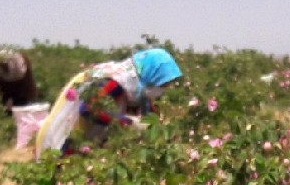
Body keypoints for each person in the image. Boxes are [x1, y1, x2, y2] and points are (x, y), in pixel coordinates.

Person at [34, 48, 184, 155]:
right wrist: (130, 123)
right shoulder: (113, 81)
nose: (163, 89)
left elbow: (152, 122)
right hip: (62, 144)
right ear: (151, 75)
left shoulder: (138, 91)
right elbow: (90, 109)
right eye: (163, 84)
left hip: (88, 146)